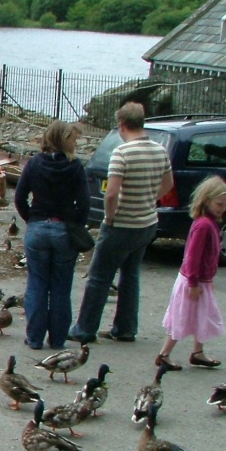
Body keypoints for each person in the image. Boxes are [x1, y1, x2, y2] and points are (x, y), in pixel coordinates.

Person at [69, 102, 173, 344]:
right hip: (147, 223)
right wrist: (149, 198)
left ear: (121, 125)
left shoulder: (122, 153)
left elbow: (112, 193)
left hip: (122, 223)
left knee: (99, 276)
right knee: (131, 274)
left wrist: (109, 216)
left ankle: (85, 328)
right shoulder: (160, 150)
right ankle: (125, 328)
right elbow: (168, 184)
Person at [14, 120, 90, 349]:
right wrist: (75, 223)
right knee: (60, 287)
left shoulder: (34, 164)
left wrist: (32, 219)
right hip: (64, 229)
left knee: (36, 284)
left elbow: (19, 198)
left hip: (37, 228)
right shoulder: (75, 167)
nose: (76, 143)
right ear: (65, 140)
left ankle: (35, 338)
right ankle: (57, 339)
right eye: (74, 139)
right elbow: (84, 203)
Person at [155, 176, 226, 370]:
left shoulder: (208, 222)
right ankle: (164, 354)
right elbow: (192, 257)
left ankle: (198, 352)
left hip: (200, 279)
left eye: (225, 205)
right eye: (219, 204)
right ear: (206, 200)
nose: (222, 208)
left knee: (200, 315)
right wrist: (193, 282)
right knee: (183, 316)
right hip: (193, 280)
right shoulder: (204, 225)